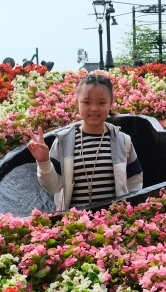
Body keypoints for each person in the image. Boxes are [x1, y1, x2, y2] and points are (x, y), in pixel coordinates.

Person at [27, 73, 143, 211]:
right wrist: (44, 162)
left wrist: (128, 211)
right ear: (78, 102)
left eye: (101, 103)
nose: (94, 108)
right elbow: (54, 187)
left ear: (111, 103)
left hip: (114, 221)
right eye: (87, 102)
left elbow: (135, 181)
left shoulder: (123, 141)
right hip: (75, 222)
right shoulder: (63, 142)